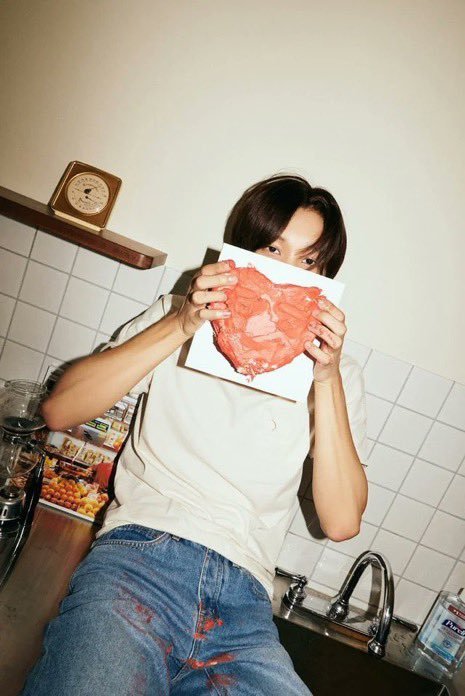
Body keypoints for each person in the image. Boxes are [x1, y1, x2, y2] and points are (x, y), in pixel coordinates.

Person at [22, 174, 368, 695]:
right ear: (241, 251)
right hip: (138, 561)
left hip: (244, 609)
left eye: (309, 261)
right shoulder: (177, 315)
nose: (285, 273)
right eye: (272, 249)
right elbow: (59, 410)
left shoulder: (336, 375)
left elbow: (341, 522)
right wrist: (182, 323)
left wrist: (326, 378)